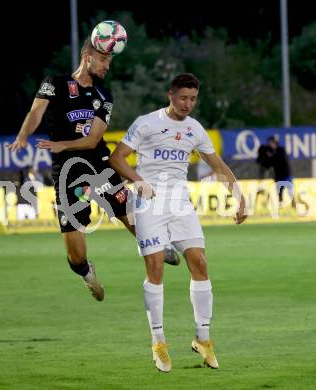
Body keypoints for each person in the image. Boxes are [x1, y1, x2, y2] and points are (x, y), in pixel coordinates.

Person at [7, 34, 180, 303]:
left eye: (109, 62)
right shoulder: (55, 83)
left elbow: (93, 139)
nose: (106, 66)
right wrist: (22, 136)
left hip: (98, 164)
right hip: (67, 172)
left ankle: (160, 242)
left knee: (128, 212)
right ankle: (87, 273)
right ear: (88, 57)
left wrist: (62, 144)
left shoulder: (103, 95)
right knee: (75, 255)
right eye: (102, 60)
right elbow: (36, 112)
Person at [109, 73, 247, 372]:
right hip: (149, 202)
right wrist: (138, 181)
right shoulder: (146, 122)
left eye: (193, 99)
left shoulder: (195, 128)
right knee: (156, 267)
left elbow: (217, 165)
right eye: (183, 97)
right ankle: (158, 342)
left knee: (199, 262)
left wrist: (238, 193)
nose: (188, 104)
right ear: (170, 95)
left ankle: (203, 338)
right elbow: (117, 158)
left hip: (180, 203)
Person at [267, 136, 296, 209]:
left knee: (290, 190)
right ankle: (280, 206)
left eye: (271, 143)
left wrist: (271, 157)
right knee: (279, 192)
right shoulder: (272, 152)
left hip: (286, 174)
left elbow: (278, 159)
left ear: (274, 143)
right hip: (278, 175)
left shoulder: (281, 150)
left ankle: (294, 205)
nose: (270, 144)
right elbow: (270, 163)